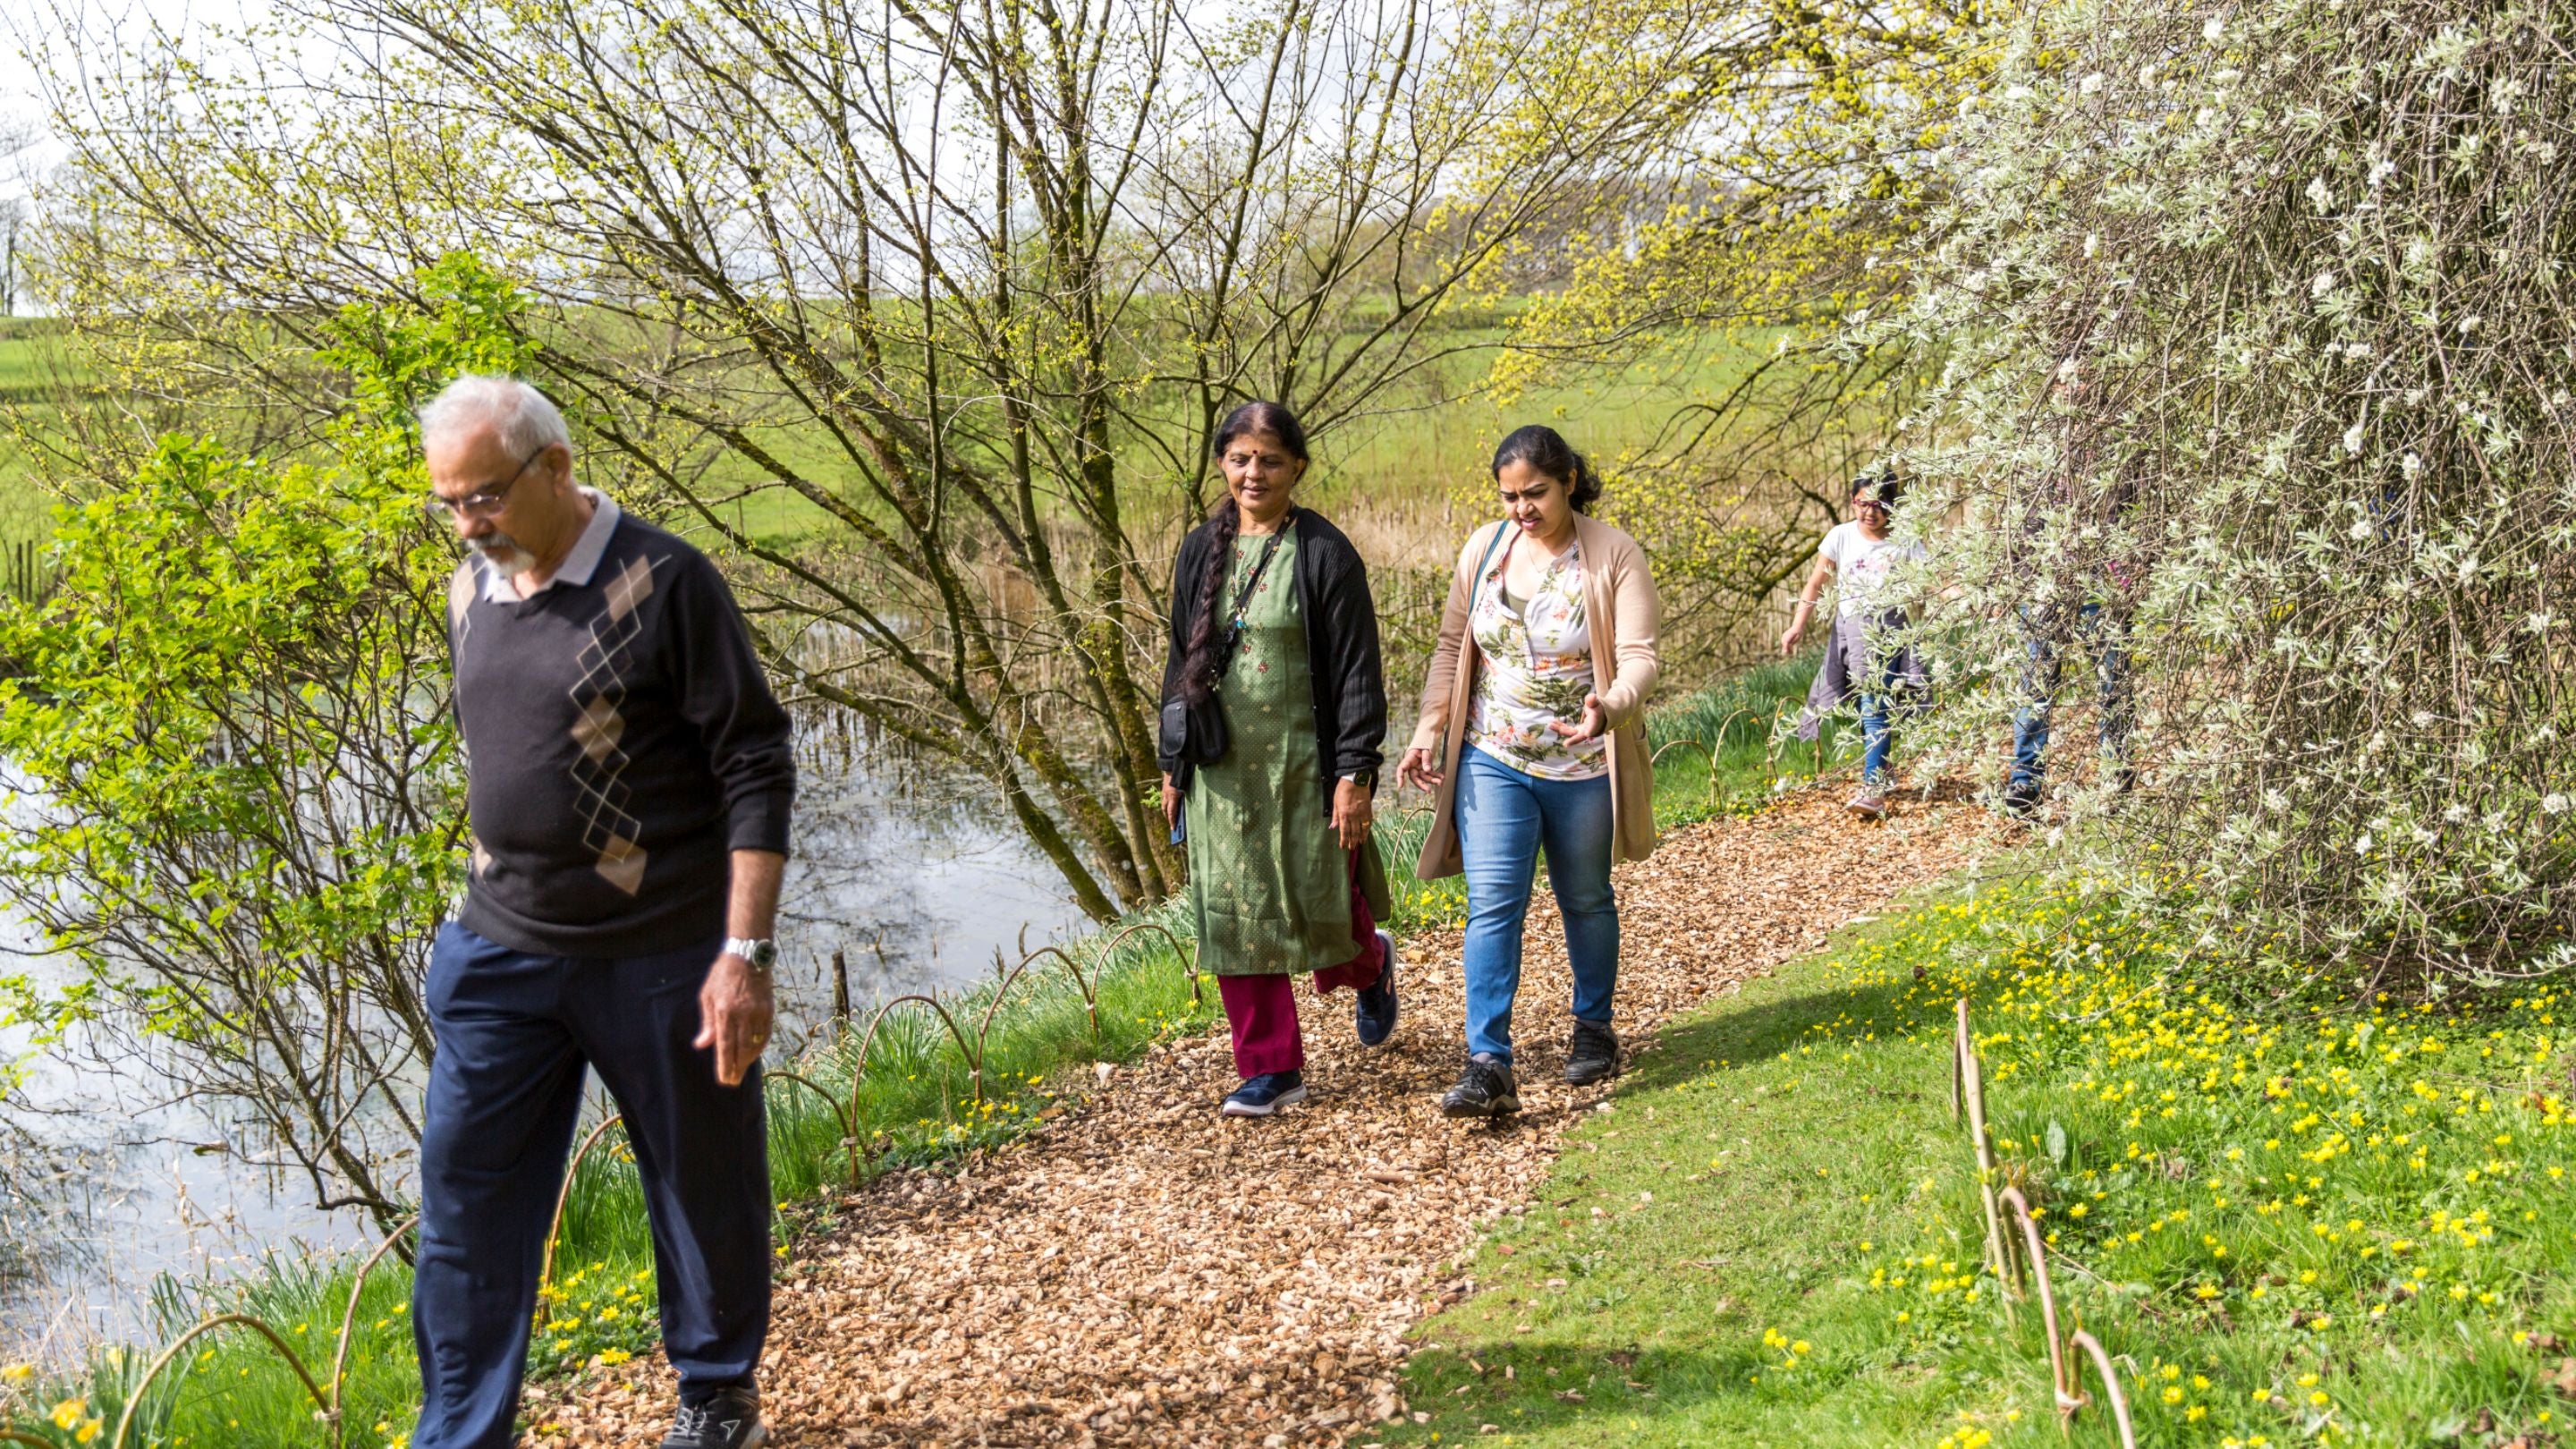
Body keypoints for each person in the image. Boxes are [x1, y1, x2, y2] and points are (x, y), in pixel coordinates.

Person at [416, 374, 792, 1449]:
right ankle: (462, 1430)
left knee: (700, 1185)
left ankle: (716, 1395)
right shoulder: (468, 591)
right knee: (465, 1210)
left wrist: (743, 951)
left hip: (662, 952)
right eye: (448, 503)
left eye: (483, 496)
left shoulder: (668, 581)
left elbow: (755, 764)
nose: (467, 522)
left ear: (556, 467)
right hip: (499, 951)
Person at [1398, 425, 1661, 1119]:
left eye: (1535, 493)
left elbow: (1640, 655)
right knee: (1493, 906)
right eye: (1510, 496)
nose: (1521, 508)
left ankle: (1594, 1028)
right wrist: (1428, 729)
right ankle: (1488, 1062)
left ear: (1569, 479)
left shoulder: (1612, 554)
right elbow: (1454, 646)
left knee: (1585, 898)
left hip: (1581, 764)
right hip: (1493, 757)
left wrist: (1611, 703)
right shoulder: (1484, 550)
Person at [1159, 401, 1394, 1117]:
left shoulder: (1324, 553)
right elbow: (1180, 664)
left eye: (1268, 460)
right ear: (1223, 464)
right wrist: (1173, 766)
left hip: (1307, 767)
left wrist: (1355, 775)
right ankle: (1271, 1068)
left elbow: (1358, 671)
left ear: (1297, 467)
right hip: (1221, 771)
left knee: (1320, 907)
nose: (1252, 472)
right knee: (1231, 914)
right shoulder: (1202, 548)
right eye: (1239, 458)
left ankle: (1373, 962)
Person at [1784, 470, 1927, 819]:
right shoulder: (1841, 537)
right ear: (1853, 503)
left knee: (1875, 703)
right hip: (1850, 632)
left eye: (1880, 504)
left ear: (1894, 505)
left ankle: (1874, 790)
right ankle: (1883, 769)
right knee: (1868, 704)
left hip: (1891, 631)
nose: (1871, 512)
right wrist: (1796, 626)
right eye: (1864, 503)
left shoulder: (1906, 540)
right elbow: (1816, 584)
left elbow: (1934, 582)